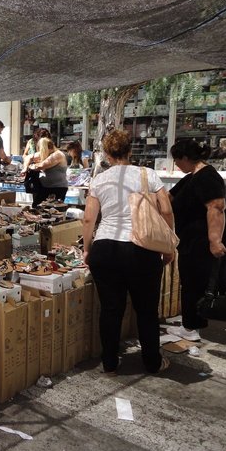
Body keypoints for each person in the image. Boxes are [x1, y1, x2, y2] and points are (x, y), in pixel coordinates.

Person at [83, 130, 173, 374]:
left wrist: (86, 249)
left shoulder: (99, 180)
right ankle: (152, 362)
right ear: (130, 151)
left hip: (105, 248)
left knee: (111, 309)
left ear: (107, 155)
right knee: (146, 310)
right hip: (141, 249)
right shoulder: (148, 175)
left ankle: (110, 363)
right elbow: (165, 210)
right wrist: (168, 245)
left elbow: (89, 218)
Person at [168, 139, 226, 342]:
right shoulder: (192, 176)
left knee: (200, 281)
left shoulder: (207, 177)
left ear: (185, 157)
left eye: (176, 160)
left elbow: (216, 207)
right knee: (211, 280)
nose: (176, 164)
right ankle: (192, 325)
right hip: (195, 239)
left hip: (210, 238)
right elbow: (168, 198)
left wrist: (214, 240)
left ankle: (191, 328)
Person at [29, 137, 69, 206]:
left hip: (57, 188)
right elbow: (29, 157)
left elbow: (41, 166)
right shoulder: (48, 155)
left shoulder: (57, 154)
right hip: (45, 187)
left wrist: (31, 166)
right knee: (37, 206)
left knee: (53, 208)